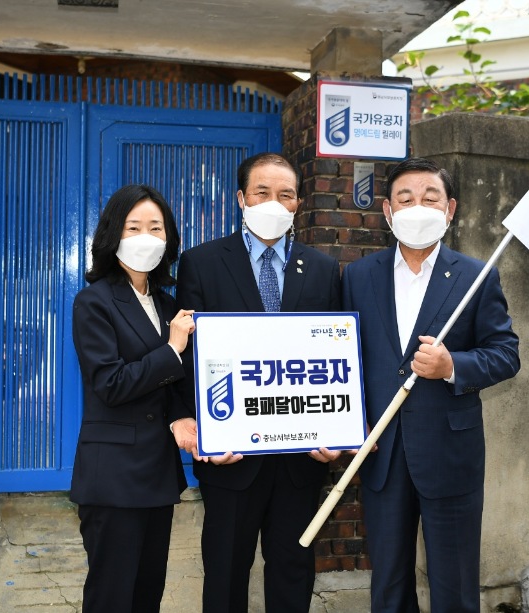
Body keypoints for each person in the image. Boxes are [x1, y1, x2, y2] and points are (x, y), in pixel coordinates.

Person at [342, 157, 520, 613]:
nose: (417, 207)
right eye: (405, 198)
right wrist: (346, 424)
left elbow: (505, 353)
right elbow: (346, 358)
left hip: (449, 450)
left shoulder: (477, 275)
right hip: (381, 450)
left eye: (430, 198)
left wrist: (451, 366)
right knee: (389, 581)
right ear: (387, 210)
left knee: (455, 583)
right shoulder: (359, 276)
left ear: (450, 208)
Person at [173, 152, 341, 613]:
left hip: (300, 458)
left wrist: (336, 430)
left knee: (292, 572)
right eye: (262, 192)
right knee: (225, 573)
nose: (273, 202)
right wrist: (194, 424)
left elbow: (334, 358)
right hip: (230, 456)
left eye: (285, 194)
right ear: (241, 198)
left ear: (298, 204)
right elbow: (187, 359)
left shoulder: (323, 269)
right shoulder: (201, 263)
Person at [69, 183, 197, 613]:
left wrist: (182, 416)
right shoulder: (94, 302)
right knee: (111, 596)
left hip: (157, 475)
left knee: (147, 593)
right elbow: (111, 383)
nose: (146, 236)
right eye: (134, 226)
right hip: (114, 477)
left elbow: (171, 385)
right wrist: (172, 348)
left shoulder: (164, 303)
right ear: (113, 234)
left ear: (168, 238)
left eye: (156, 227)